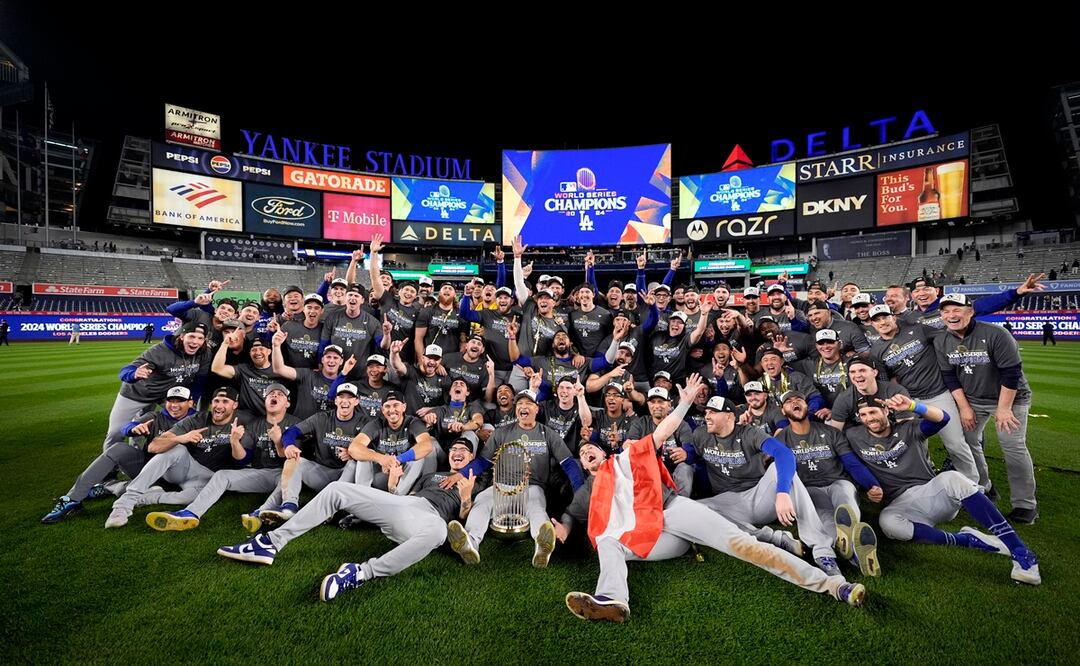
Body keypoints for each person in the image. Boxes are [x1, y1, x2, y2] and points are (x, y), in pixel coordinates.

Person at [558, 374, 866, 623]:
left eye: (591, 449)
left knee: (744, 546)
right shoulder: (590, 490)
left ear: (604, 452)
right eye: (583, 455)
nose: (587, 453)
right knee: (608, 543)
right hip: (652, 537)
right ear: (583, 465)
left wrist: (684, 403)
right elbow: (574, 514)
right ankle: (613, 600)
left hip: (673, 511)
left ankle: (833, 585)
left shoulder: (623, 459)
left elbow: (663, 432)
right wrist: (561, 527)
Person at [216, 435, 484, 603]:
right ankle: (271, 542)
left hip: (433, 520)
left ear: (471, 457)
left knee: (438, 532)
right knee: (337, 489)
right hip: (410, 505)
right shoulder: (431, 475)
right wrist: (392, 486)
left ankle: (359, 573)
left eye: (463, 449)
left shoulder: (477, 484)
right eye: (454, 448)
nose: (457, 452)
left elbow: (462, 520)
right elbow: (401, 500)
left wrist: (465, 498)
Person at [847, 394, 1040, 585]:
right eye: (863, 414)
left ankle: (1020, 552)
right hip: (901, 503)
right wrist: (870, 487)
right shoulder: (855, 436)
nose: (869, 418)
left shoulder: (908, 428)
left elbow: (943, 418)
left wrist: (913, 406)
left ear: (886, 410)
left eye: (873, 412)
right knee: (887, 522)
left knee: (952, 478)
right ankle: (967, 540)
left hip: (932, 493)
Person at [935, 294, 1038, 523]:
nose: (951, 315)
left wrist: (1004, 408)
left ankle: (1025, 505)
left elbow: (1011, 373)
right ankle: (985, 487)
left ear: (970, 311)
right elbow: (950, 376)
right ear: (941, 316)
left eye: (957, 310)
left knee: (1012, 447)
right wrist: (964, 408)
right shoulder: (941, 340)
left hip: (1011, 399)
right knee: (968, 441)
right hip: (973, 399)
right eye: (946, 311)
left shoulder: (996, 334)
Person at [145, 385, 301, 530]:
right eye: (271, 394)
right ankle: (191, 513)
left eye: (279, 394)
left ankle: (262, 512)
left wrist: (278, 441)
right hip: (261, 473)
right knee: (222, 475)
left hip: (287, 473)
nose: (274, 395)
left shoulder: (296, 424)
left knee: (287, 477)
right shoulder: (255, 424)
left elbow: (293, 459)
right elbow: (243, 460)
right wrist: (234, 441)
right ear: (265, 402)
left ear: (287, 403)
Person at [42, 386, 196, 523]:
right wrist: (132, 429)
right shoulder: (155, 416)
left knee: (142, 486)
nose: (174, 405)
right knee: (118, 448)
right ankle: (72, 499)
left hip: (181, 479)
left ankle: (110, 487)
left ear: (190, 403)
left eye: (180, 401)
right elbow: (126, 427)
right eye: (171, 401)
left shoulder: (199, 420)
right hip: (149, 472)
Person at [105, 387, 244, 528]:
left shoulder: (244, 422)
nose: (219, 406)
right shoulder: (196, 419)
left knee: (195, 498)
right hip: (187, 468)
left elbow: (242, 461)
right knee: (176, 449)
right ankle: (124, 504)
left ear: (235, 405)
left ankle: (147, 497)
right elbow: (153, 446)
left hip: (209, 479)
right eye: (216, 401)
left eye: (225, 401)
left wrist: (235, 442)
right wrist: (180, 438)